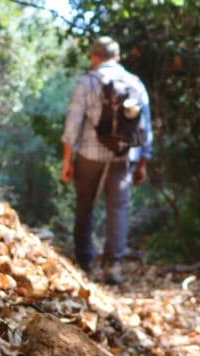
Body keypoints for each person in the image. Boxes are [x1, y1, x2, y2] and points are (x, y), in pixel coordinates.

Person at [61, 37, 152, 285]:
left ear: (94, 57)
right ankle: (113, 266)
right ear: (117, 58)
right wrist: (142, 162)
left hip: (90, 155)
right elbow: (145, 129)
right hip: (123, 156)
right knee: (118, 210)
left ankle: (84, 262)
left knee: (85, 205)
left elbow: (72, 126)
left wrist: (67, 161)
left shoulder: (87, 82)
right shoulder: (135, 83)